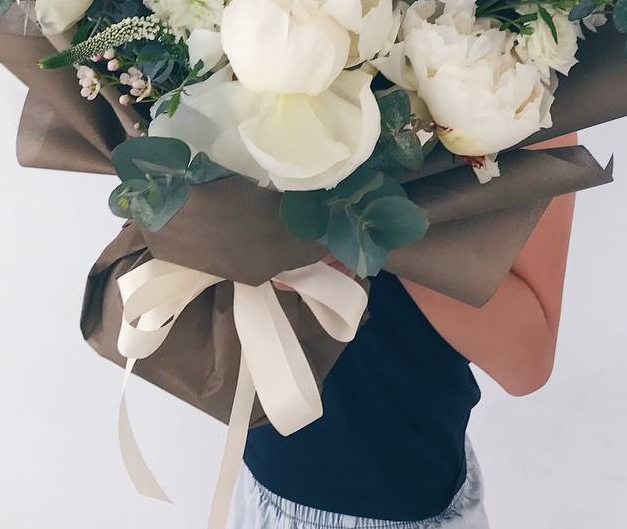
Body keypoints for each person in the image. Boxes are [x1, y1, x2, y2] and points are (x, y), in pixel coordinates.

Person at [232, 133, 579, 527]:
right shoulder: (228, 78)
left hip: (406, 495)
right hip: (263, 479)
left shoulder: (523, 99)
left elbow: (527, 363)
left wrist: (370, 227)